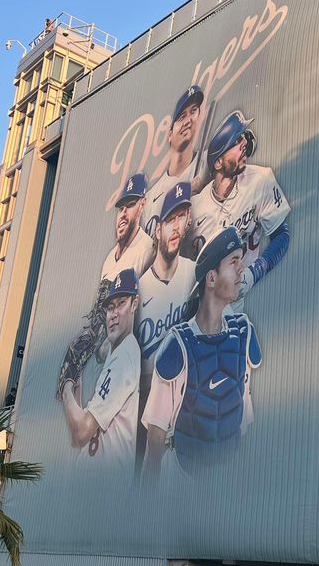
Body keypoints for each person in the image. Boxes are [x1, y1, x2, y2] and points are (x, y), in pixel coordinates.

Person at [141, 227, 262, 483]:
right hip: (182, 484)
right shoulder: (178, 345)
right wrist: (145, 511)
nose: (241, 269)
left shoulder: (243, 334)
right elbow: (154, 441)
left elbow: (244, 420)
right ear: (211, 279)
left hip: (226, 484)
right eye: (233, 262)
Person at [185, 110, 290, 296]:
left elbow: (282, 235)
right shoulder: (194, 208)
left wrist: (255, 272)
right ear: (218, 163)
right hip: (207, 304)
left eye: (243, 138)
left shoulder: (260, 180)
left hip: (241, 294)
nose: (244, 144)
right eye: (235, 142)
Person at [135, 181, 196, 465]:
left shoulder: (195, 273)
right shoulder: (138, 291)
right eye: (169, 219)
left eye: (181, 217)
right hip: (143, 403)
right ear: (157, 229)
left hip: (183, 400)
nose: (175, 227)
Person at [61, 269, 141, 477]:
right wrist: (76, 392)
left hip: (104, 490)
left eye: (121, 303)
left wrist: (66, 389)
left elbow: (81, 433)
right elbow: (79, 437)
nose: (113, 314)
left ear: (135, 304)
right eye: (110, 308)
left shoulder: (124, 356)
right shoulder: (118, 354)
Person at [142, 86, 204, 238]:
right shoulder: (150, 198)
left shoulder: (207, 165)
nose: (188, 120)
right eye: (181, 116)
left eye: (194, 111)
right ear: (170, 134)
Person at [101, 173, 154, 281]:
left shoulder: (147, 249)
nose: (123, 213)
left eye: (130, 204)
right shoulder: (109, 258)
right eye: (121, 208)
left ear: (142, 204)